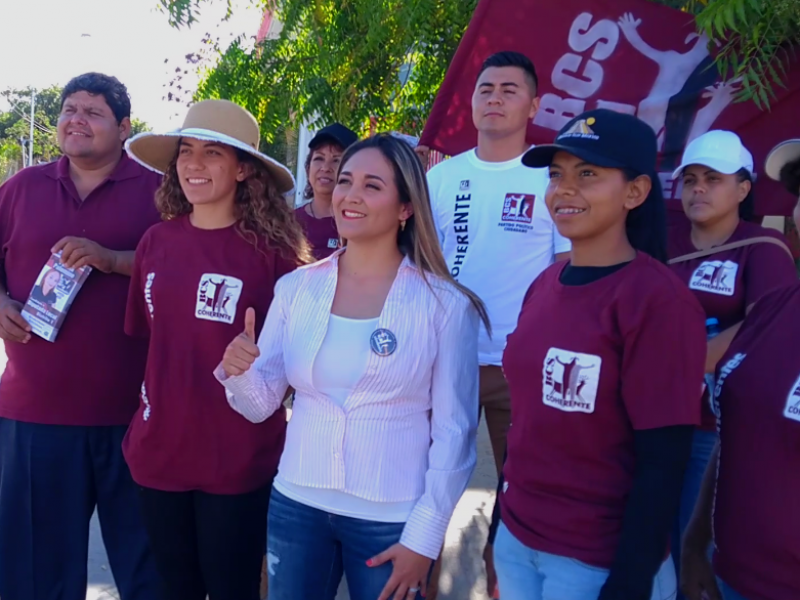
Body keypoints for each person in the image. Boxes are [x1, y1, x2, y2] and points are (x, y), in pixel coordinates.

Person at [217, 133, 488, 600]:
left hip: (393, 518)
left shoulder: (444, 306)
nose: (350, 195)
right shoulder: (297, 289)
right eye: (345, 181)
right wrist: (239, 369)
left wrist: (424, 538)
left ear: (406, 207)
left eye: (371, 185)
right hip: (297, 506)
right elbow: (261, 405)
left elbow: (455, 435)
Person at [489, 109, 706, 600]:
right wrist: (497, 529)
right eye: (556, 174)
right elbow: (525, 423)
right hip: (519, 544)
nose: (565, 189)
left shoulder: (658, 303)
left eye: (587, 174)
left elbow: (664, 461)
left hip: (595, 563)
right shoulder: (544, 284)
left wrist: (629, 581)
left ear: (635, 192)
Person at [123, 99, 310, 600]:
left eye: (212, 153)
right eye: (186, 151)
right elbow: (153, 342)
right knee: (173, 589)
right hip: (159, 452)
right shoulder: (155, 242)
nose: (193, 165)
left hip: (238, 458)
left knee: (232, 590)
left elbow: (294, 366)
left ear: (244, 168)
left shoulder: (279, 256)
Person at [0, 73, 161, 600]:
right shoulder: (23, 187)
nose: (76, 119)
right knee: (35, 574)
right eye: (70, 109)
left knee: (148, 572)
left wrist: (113, 261)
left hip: (134, 415)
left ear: (124, 127)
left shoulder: (160, 190)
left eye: (92, 112)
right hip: (34, 416)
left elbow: (183, 266)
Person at [426, 50, 571, 597]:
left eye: (511, 89)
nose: (495, 97)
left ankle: (500, 586)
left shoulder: (551, 177)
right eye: (487, 88)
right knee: (427, 494)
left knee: (522, 498)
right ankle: (423, 586)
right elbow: (421, 267)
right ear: (472, 99)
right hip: (445, 363)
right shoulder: (443, 178)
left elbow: (564, 272)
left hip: (520, 366)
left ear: (534, 104)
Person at [666, 130, 797, 595]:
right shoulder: (665, 244)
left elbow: (765, 330)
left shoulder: (764, 248)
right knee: (659, 541)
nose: (698, 188)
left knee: (695, 542)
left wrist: (683, 364)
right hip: (658, 417)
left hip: (712, 429)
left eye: (713, 179)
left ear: (743, 189)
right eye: (691, 179)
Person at [295, 123, 358, 260]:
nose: (325, 168)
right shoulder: (288, 223)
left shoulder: (359, 224)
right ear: (307, 168)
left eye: (336, 160)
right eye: (319, 158)